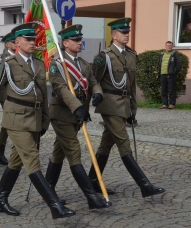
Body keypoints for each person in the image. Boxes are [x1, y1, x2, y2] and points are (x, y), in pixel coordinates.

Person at [0, 23, 75, 219]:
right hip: (16, 120)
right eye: (27, 40)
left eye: (33, 39)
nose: (32, 42)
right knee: (32, 159)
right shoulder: (8, 64)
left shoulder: (38, 63)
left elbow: (41, 95)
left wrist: (45, 120)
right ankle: (55, 206)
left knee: (16, 162)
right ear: (17, 42)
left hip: (34, 119)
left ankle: (0, 200)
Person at [91, 17, 165, 198]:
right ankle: (145, 186)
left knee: (106, 145)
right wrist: (93, 98)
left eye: (128, 32)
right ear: (114, 35)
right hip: (109, 105)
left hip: (123, 105)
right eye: (123, 33)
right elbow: (94, 81)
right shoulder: (104, 57)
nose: (126, 35)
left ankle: (92, 180)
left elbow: (131, 86)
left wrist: (133, 110)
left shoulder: (131, 55)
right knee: (124, 144)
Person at [45, 24, 111, 209]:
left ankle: (48, 190)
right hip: (62, 115)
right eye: (75, 40)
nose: (79, 42)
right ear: (65, 43)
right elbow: (61, 89)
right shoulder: (57, 65)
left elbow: (93, 82)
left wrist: (98, 93)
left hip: (78, 114)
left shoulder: (84, 64)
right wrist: (77, 107)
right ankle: (91, 198)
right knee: (74, 152)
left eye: (80, 39)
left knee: (59, 151)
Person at [0, 32, 17, 165]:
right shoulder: (2, 59)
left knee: (10, 124)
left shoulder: (19, 57)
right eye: (14, 42)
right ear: (7, 44)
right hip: (6, 97)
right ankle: (0, 154)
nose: (16, 44)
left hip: (17, 96)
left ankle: (12, 153)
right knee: (9, 124)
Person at [157, 41, 182, 109]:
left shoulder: (174, 54)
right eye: (167, 45)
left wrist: (174, 72)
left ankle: (172, 104)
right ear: (165, 46)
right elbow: (159, 63)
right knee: (163, 90)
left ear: (172, 46)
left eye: (170, 45)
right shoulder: (162, 54)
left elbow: (179, 64)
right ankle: (164, 104)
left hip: (171, 75)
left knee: (171, 90)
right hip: (162, 74)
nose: (169, 46)